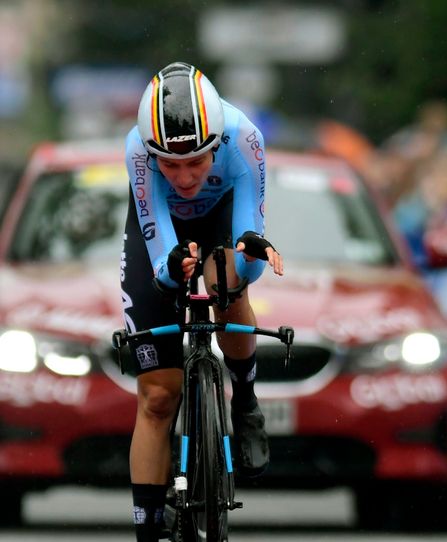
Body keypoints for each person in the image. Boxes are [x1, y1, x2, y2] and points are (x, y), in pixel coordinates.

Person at [120, 62, 283, 542]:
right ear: (152, 155)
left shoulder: (245, 136)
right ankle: (148, 531)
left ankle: (246, 403)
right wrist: (174, 268)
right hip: (162, 236)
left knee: (227, 287)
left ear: (217, 144)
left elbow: (249, 243)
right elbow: (162, 267)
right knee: (157, 397)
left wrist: (249, 254)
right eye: (169, 164)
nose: (185, 176)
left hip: (223, 222)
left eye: (197, 161)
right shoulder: (136, 149)